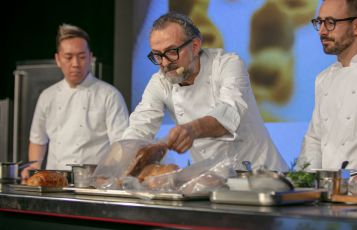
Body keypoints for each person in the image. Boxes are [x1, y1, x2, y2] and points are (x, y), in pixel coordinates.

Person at [123, 12, 288, 171]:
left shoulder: (227, 64)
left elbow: (229, 113)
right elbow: (139, 127)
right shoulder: (160, 82)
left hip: (262, 174)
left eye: (172, 52)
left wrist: (192, 130)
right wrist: (118, 164)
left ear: (195, 46)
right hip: (213, 180)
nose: (165, 63)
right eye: (157, 55)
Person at [21, 24, 130, 179]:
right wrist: (34, 168)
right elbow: (38, 140)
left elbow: (120, 145)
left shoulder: (109, 95)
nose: (75, 64)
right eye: (68, 57)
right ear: (58, 59)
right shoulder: (47, 96)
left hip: (93, 183)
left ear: (90, 58)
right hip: (54, 182)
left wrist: (108, 173)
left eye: (82, 57)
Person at [297, 0, 357, 179]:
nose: (322, 31)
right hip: (333, 195)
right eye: (319, 22)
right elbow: (314, 139)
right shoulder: (324, 78)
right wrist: (306, 183)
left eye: (330, 23)